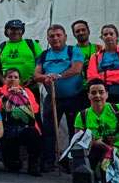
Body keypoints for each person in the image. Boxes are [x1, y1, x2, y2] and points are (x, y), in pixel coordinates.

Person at [33, 24, 85, 172]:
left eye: (58, 35)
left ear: (65, 37)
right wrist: (46, 77)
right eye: (52, 36)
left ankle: (72, 161)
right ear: (48, 39)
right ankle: (49, 161)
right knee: (48, 130)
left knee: (74, 130)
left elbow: (77, 69)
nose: (55, 38)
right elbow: (36, 75)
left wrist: (59, 76)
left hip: (74, 97)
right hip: (53, 98)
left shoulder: (74, 51)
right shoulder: (43, 55)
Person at [74, 80, 119, 183]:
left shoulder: (117, 109)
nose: (97, 95)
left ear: (107, 94)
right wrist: (93, 142)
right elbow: (77, 140)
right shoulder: (82, 115)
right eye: (93, 93)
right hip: (95, 151)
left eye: (101, 92)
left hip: (118, 150)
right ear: (88, 95)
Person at [0, 68, 41, 176]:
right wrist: (8, 96)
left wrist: (22, 96)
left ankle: (33, 164)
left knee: (34, 134)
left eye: (15, 77)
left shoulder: (27, 92)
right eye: (10, 77)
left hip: (25, 127)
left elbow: (35, 109)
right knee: (13, 167)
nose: (12, 79)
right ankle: (11, 160)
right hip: (6, 128)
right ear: (4, 79)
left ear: (19, 80)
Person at [87, 24, 119, 105]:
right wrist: (117, 76)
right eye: (105, 34)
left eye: (111, 34)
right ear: (102, 37)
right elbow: (92, 77)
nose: (108, 36)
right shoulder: (94, 57)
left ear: (117, 36)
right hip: (102, 98)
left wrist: (104, 75)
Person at [0, 20, 42, 90]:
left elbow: (41, 62)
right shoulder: (1, 47)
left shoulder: (31, 44)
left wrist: (33, 79)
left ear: (22, 30)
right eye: (12, 29)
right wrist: (3, 80)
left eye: (18, 29)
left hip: (30, 85)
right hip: (8, 87)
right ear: (6, 31)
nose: (15, 31)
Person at [72, 20, 102, 88]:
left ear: (88, 31)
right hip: (78, 89)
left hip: (96, 87)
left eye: (83, 30)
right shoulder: (71, 51)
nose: (81, 32)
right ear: (74, 34)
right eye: (77, 31)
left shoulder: (99, 48)